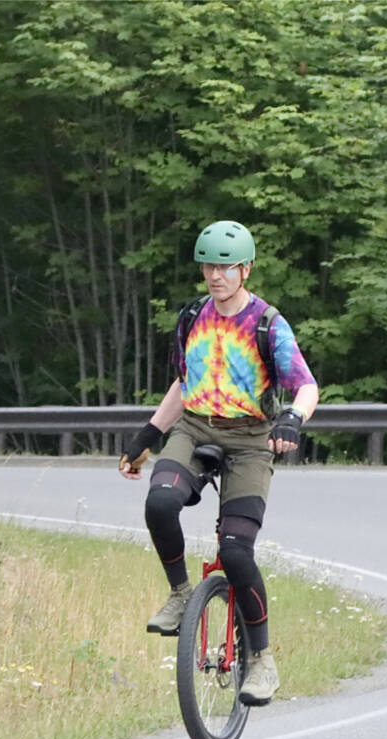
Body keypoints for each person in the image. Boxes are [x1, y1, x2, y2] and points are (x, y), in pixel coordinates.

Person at [119, 220, 319, 705]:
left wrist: (291, 419)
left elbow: (306, 384)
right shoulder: (192, 316)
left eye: (226, 266)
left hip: (251, 440)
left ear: (245, 269)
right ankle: (182, 593)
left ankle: (263, 661)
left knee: (235, 552)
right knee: (161, 502)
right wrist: (148, 436)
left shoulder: (268, 322)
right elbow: (184, 385)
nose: (216, 274)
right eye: (209, 265)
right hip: (194, 427)